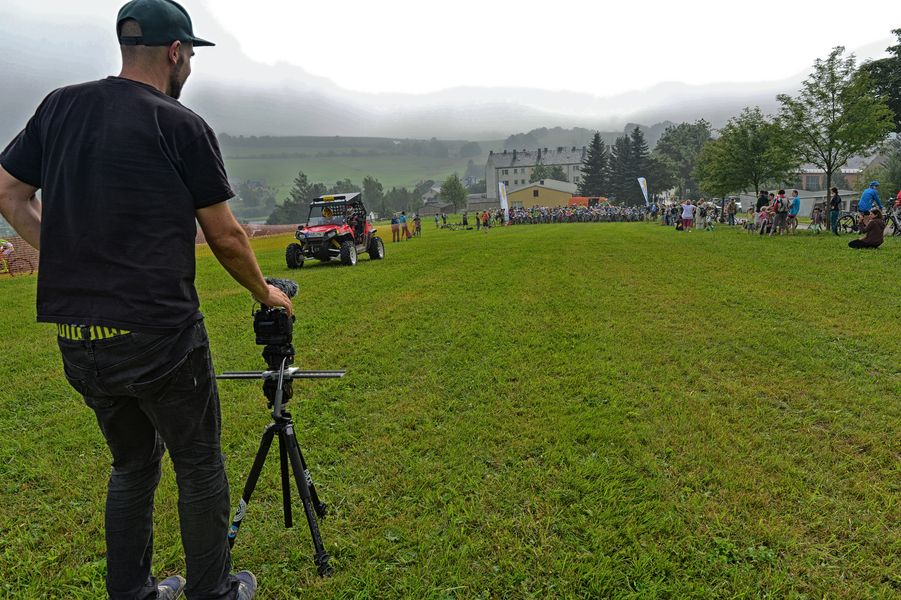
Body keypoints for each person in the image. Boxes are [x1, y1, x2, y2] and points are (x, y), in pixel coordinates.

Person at [0, 1, 292, 598]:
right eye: (190, 56)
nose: (190, 68)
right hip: (160, 336)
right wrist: (264, 291)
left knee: (132, 465)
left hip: (80, 339)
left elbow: (8, 193)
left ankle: (132, 592)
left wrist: (66, 256)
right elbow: (226, 236)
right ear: (176, 52)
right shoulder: (179, 124)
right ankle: (212, 591)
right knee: (198, 464)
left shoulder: (59, 107)